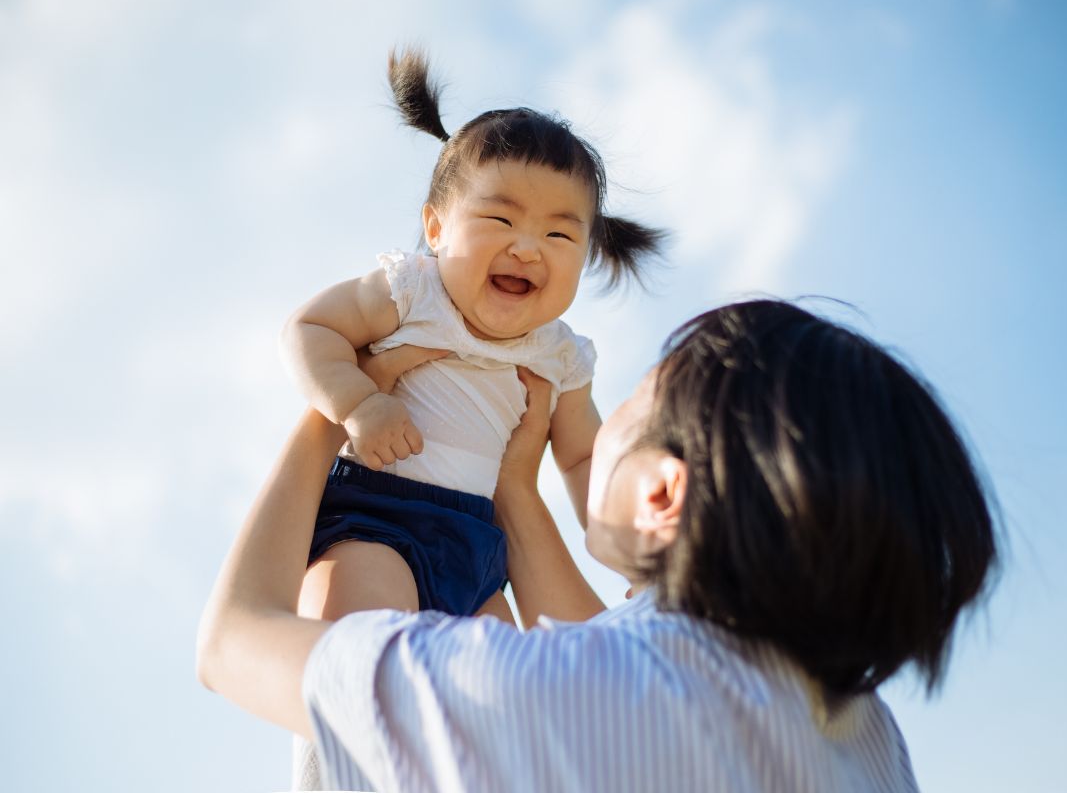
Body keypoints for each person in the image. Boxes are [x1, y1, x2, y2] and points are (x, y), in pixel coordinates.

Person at [198, 299, 999, 792]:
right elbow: (618, 646)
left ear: (661, 493)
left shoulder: (533, 695)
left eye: (628, 408)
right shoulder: (866, 735)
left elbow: (235, 640)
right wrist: (515, 491)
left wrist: (337, 410)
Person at [279, 48, 664, 786]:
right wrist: (360, 400)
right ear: (435, 226)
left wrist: (627, 547)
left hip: (482, 554)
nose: (528, 246)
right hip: (375, 518)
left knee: (500, 723)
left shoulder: (561, 356)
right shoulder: (409, 292)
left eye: (560, 235)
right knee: (362, 674)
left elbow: (584, 459)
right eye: (499, 217)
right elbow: (308, 330)